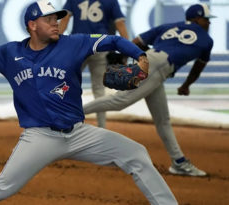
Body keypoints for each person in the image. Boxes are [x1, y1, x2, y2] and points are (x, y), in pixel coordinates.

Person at [0, 1, 178, 204]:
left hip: (79, 134)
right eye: (49, 19)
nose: (56, 23)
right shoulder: (10, 52)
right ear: (32, 25)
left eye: (57, 18)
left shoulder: (72, 44)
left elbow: (112, 41)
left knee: (136, 153)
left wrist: (141, 56)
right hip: (40, 137)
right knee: (4, 187)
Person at [84, 3, 215, 177]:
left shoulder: (168, 26)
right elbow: (198, 67)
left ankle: (178, 161)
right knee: (120, 101)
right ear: (197, 19)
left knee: (163, 120)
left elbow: (138, 42)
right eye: (206, 19)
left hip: (153, 62)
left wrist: (124, 56)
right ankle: (71, 111)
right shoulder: (207, 40)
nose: (209, 23)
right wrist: (186, 86)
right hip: (159, 65)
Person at [58, 0, 129, 128]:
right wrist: (126, 50)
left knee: (68, 84)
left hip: (78, 45)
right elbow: (120, 24)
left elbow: (64, 19)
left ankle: (67, 122)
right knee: (99, 90)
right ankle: (102, 126)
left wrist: (54, 44)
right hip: (100, 44)